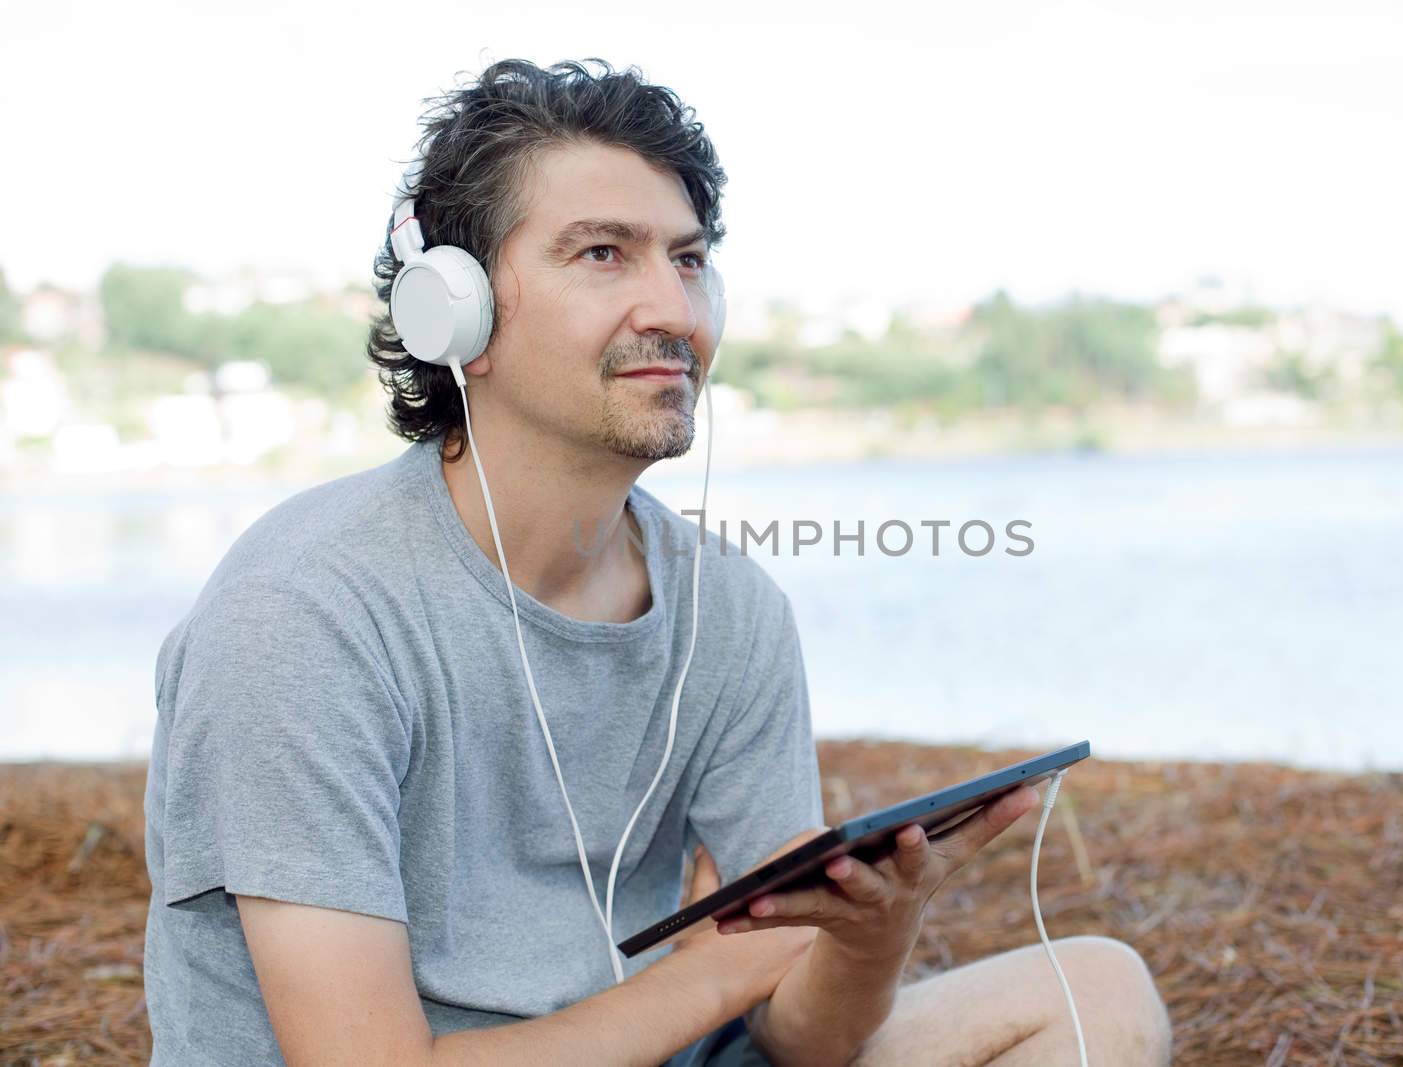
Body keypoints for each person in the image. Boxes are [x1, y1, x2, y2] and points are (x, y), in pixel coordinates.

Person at [141, 57, 1171, 1066]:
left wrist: (864, 934)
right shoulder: (304, 612)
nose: (674, 312)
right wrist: (723, 969)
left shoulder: (730, 610)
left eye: (687, 259)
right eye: (602, 253)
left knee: (1097, 990)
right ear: (453, 312)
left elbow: (801, 1038)